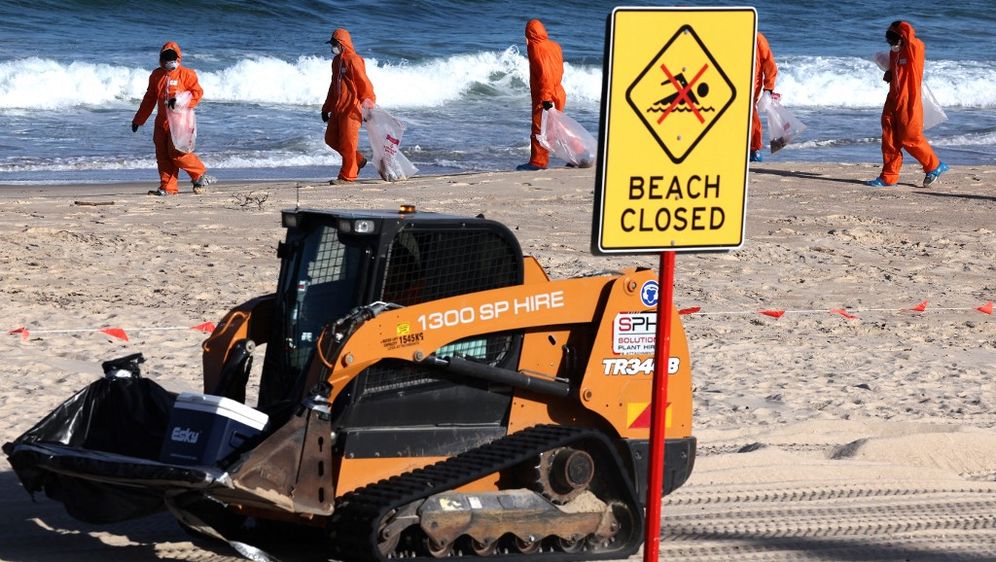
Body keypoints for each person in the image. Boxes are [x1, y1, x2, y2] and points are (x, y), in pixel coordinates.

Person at [867, 21, 948, 188]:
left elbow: (912, 39)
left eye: (894, 39)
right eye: (889, 40)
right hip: (893, 99)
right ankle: (888, 176)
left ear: (903, 37)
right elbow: (897, 69)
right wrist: (890, 73)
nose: (891, 44)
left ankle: (934, 165)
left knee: (910, 138)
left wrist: (900, 27)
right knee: (889, 139)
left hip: (909, 101)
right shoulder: (895, 52)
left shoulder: (915, 49)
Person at [132, 42, 212, 196]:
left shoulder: (187, 74)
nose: (170, 64)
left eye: (172, 60)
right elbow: (149, 99)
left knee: (177, 153)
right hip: (161, 122)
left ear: (178, 58)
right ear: (161, 60)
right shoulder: (156, 75)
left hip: (180, 122)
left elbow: (196, 94)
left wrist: (179, 100)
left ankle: (199, 174)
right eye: (166, 60)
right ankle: (168, 187)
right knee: (162, 155)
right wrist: (138, 119)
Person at [322, 28, 376, 185]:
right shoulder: (336, 61)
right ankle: (358, 160)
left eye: (334, 43)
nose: (332, 47)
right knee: (331, 139)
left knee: (348, 143)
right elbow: (333, 87)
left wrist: (369, 102)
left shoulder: (354, 60)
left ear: (341, 43)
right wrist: (326, 108)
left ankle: (348, 176)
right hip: (338, 109)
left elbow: (364, 83)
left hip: (352, 109)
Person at [517, 19, 566, 171]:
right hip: (558, 91)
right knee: (557, 127)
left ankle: (538, 162)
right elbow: (555, 70)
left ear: (529, 34)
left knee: (539, 129)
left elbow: (545, 74)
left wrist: (545, 98)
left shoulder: (536, 48)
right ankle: (580, 153)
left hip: (545, 94)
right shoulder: (554, 46)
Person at [750, 32, 778, 163]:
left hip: (752, 85)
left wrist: (768, 88)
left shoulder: (757, 37)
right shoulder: (730, 33)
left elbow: (769, 63)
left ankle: (753, 150)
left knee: (750, 114)